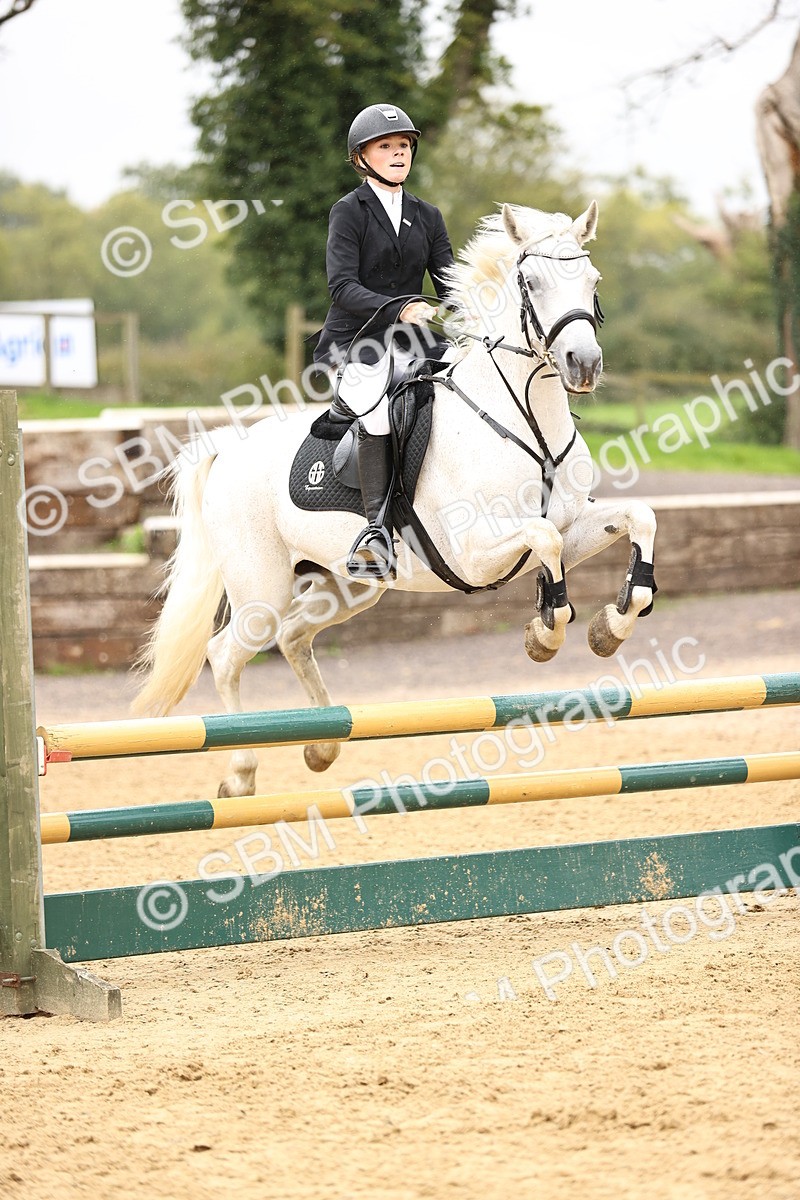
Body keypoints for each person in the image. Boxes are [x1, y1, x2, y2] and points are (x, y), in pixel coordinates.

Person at [313, 102, 455, 579]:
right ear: (362, 157)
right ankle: (375, 531)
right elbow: (342, 287)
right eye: (386, 146)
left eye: (403, 146)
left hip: (414, 341)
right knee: (376, 403)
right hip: (357, 339)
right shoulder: (348, 212)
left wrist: (481, 310)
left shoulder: (427, 215)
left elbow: (450, 281)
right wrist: (401, 307)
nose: (398, 154)